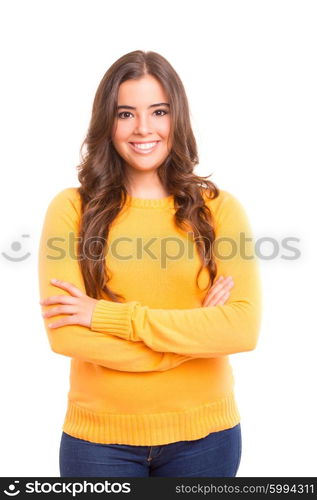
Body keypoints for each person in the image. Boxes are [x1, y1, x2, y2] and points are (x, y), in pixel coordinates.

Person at [38, 50, 262, 477]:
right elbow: (67, 337)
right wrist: (190, 339)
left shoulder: (219, 209)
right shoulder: (71, 209)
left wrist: (102, 315)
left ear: (177, 117)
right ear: (108, 122)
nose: (144, 129)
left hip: (207, 439)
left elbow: (242, 328)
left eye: (158, 111)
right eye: (126, 113)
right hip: (98, 444)